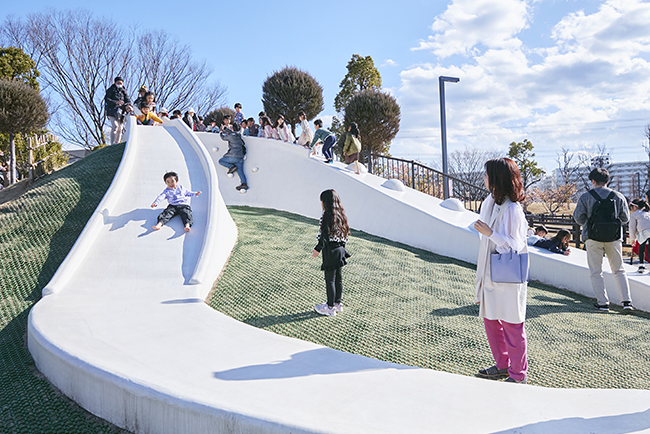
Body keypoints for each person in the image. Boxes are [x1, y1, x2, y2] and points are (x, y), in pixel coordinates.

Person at [474, 158, 529, 384]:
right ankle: (502, 365)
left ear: (496, 178)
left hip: (507, 273)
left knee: (511, 322)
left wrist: (491, 234)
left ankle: (518, 374)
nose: (484, 178)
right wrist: (488, 233)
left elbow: (515, 244)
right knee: (491, 318)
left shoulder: (512, 209)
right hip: (490, 268)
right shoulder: (491, 202)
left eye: (487, 174)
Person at [573, 167, 633, 311]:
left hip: (593, 238)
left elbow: (578, 218)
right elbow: (625, 218)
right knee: (619, 270)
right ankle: (626, 302)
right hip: (614, 237)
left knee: (596, 271)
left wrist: (590, 222)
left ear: (593, 181)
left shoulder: (586, 196)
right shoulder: (618, 196)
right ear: (607, 180)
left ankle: (603, 303)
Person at [311, 189, 351, 316]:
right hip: (340, 250)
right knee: (338, 278)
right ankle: (337, 303)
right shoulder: (341, 215)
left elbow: (324, 235)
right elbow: (345, 234)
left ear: (326, 202)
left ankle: (329, 307)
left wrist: (318, 248)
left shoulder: (327, 215)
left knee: (330, 280)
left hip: (330, 250)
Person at [218, 122, 248, 191]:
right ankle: (244, 184)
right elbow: (231, 132)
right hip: (240, 157)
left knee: (221, 161)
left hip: (233, 156)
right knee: (240, 171)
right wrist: (225, 128)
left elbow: (223, 138)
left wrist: (220, 132)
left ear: (233, 128)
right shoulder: (239, 135)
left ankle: (231, 167)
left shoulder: (231, 136)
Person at [104, 76, 132, 145]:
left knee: (120, 128)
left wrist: (127, 105)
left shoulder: (124, 91)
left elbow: (128, 100)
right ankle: (113, 143)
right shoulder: (111, 90)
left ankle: (117, 142)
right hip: (112, 111)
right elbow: (107, 99)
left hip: (121, 112)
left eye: (121, 83)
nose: (120, 84)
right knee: (115, 126)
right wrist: (116, 102)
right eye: (118, 83)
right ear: (115, 83)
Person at [630, 200, 650, 273]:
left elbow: (632, 228)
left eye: (631, 207)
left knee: (641, 247)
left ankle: (641, 265)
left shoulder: (634, 214)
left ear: (635, 207)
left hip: (643, 232)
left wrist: (633, 239)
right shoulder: (648, 213)